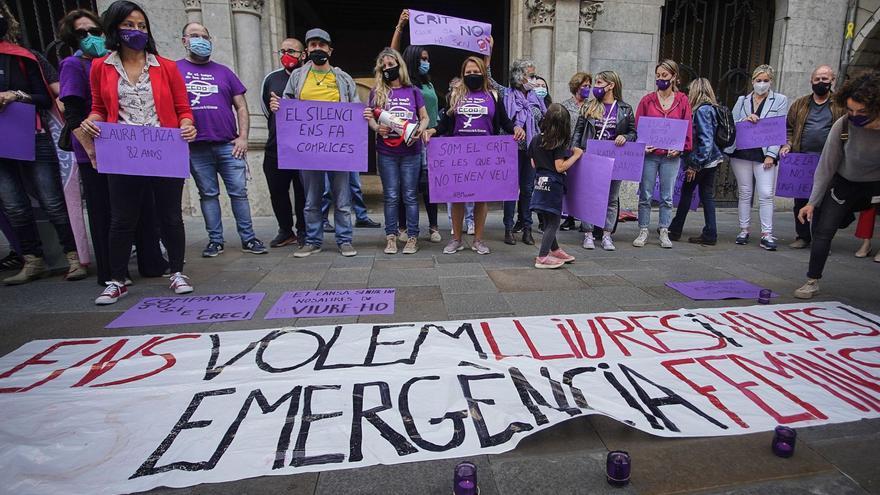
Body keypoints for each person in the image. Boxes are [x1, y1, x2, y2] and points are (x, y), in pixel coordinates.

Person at [80, 0, 197, 304]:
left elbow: (183, 109)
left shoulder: (167, 67)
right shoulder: (100, 67)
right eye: (129, 25)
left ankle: (177, 272)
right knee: (121, 218)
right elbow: (98, 107)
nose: (136, 31)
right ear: (115, 28)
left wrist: (187, 125)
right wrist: (92, 122)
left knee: (170, 215)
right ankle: (116, 279)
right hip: (122, 150)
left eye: (141, 25)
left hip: (163, 149)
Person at [58, 7, 168, 286]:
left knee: (146, 205)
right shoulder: (76, 65)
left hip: (133, 147)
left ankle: (151, 261)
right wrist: (91, 150)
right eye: (82, 33)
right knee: (108, 211)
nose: (90, 37)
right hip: (98, 150)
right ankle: (112, 272)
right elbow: (76, 113)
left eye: (94, 31)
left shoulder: (115, 63)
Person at [0, 4, 85, 285]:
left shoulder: (24, 58)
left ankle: (73, 256)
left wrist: (15, 95)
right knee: (13, 204)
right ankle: (32, 260)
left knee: (51, 200)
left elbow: (45, 98)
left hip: (32, 136)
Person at [176, 22, 266, 258]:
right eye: (195, 36)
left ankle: (249, 238)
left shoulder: (224, 72)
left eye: (205, 36)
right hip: (195, 147)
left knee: (239, 193)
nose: (201, 40)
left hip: (229, 144)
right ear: (184, 41)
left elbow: (242, 107)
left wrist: (243, 137)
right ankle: (215, 241)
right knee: (208, 194)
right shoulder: (174, 71)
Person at [272, 28, 359, 257]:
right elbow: (287, 106)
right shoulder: (298, 77)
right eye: (313, 45)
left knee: (342, 198)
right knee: (311, 199)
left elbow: (355, 107)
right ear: (307, 50)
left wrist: (364, 116)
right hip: (308, 150)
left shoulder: (343, 78)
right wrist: (278, 107)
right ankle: (312, 240)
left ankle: (344, 240)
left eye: (322, 45)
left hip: (338, 148)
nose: (317, 49)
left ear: (330, 49)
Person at [424, 55, 525, 255]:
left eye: (476, 71)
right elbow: (445, 123)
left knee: (481, 199)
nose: (472, 75)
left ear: (483, 73)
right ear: (463, 75)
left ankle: (478, 240)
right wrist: (433, 131)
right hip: (459, 155)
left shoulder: (494, 96)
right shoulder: (455, 96)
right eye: (468, 72)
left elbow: (504, 121)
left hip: (484, 155)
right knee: (458, 198)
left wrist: (516, 128)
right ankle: (456, 239)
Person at [794, 70, 880, 298]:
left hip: (876, 184)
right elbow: (826, 166)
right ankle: (812, 280)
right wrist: (812, 202)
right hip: (846, 182)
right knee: (823, 229)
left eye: (862, 112)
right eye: (850, 110)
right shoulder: (843, 125)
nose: (855, 116)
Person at [363, 47, 428, 255]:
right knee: (391, 196)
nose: (387, 69)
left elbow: (424, 117)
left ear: (400, 66)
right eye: (383, 67)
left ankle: (412, 237)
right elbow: (370, 117)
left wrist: (420, 129)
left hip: (411, 151)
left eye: (391, 65)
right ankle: (390, 237)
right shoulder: (377, 92)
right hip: (386, 152)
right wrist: (375, 127)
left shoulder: (414, 91)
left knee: (409, 195)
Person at [780, 65, 845, 249]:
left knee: (824, 203)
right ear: (811, 81)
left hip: (828, 162)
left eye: (825, 79)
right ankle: (802, 236)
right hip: (802, 161)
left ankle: (820, 240)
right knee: (800, 200)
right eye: (817, 79)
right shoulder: (800, 104)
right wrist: (787, 144)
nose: (821, 82)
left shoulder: (840, 105)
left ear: (832, 80)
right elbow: (789, 128)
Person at [391, 9, 441, 243]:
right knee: (405, 186)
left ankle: (433, 226)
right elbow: (391, 56)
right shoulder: (405, 84)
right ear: (411, 60)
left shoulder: (428, 85)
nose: (426, 62)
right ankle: (402, 227)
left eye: (427, 58)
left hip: (430, 140)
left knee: (430, 186)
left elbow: (433, 115)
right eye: (422, 58)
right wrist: (400, 27)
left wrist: (434, 129)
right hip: (408, 140)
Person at [727, 64, 788, 251]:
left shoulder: (779, 100)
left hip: (764, 153)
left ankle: (767, 234)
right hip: (742, 151)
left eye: (765, 81)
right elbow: (732, 123)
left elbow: (779, 128)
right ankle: (743, 230)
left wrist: (772, 154)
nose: (761, 84)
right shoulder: (742, 100)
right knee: (745, 192)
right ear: (752, 81)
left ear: (771, 82)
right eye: (758, 80)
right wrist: (744, 120)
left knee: (766, 193)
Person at [573, 70, 636, 251]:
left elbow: (633, 132)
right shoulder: (589, 106)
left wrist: (626, 137)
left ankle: (607, 235)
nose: (596, 87)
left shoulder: (625, 109)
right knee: (590, 196)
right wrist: (575, 149)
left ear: (611, 85)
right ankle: (588, 234)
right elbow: (579, 130)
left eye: (600, 83)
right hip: (591, 158)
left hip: (614, 159)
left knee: (611, 198)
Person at [634, 59, 693, 248]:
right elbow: (638, 126)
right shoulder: (647, 100)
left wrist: (682, 147)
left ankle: (664, 230)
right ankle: (643, 230)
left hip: (671, 156)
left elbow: (688, 127)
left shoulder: (683, 101)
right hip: (650, 155)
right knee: (646, 194)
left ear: (674, 77)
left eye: (664, 76)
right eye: (658, 76)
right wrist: (641, 145)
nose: (661, 79)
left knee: (667, 196)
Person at [261, 37, 306, 248]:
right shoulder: (271, 79)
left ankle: (305, 230)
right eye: (283, 51)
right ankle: (285, 230)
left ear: (302, 55)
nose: (286, 55)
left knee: (303, 192)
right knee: (278, 191)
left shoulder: (309, 78)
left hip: (304, 149)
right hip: (276, 146)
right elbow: (265, 110)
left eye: (292, 51)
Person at [668, 78, 723, 245]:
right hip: (710, 160)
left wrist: (695, 165)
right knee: (706, 196)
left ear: (696, 91)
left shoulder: (702, 110)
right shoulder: (710, 109)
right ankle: (709, 233)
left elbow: (705, 141)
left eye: (691, 89)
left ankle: (675, 230)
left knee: (687, 193)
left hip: (702, 161)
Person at [529, 103, 582, 268]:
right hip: (553, 186)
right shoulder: (557, 143)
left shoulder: (537, 138)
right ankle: (543, 257)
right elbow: (560, 167)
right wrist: (576, 156)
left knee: (547, 219)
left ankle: (555, 249)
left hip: (539, 184)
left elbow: (533, 163)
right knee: (554, 222)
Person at [502, 59, 546, 246]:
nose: (534, 79)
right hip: (512, 148)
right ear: (520, 77)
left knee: (528, 189)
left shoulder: (537, 97)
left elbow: (544, 118)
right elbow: (488, 78)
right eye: (531, 75)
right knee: (511, 190)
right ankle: (508, 228)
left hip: (531, 149)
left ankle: (527, 228)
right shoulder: (507, 94)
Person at [559, 72, 591, 232]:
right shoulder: (565, 105)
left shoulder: (592, 105)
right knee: (569, 185)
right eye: (584, 85)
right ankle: (569, 217)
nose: (587, 89)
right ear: (576, 86)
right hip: (567, 148)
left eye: (589, 86)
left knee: (584, 185)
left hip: (584, 149)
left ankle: (584, 218)